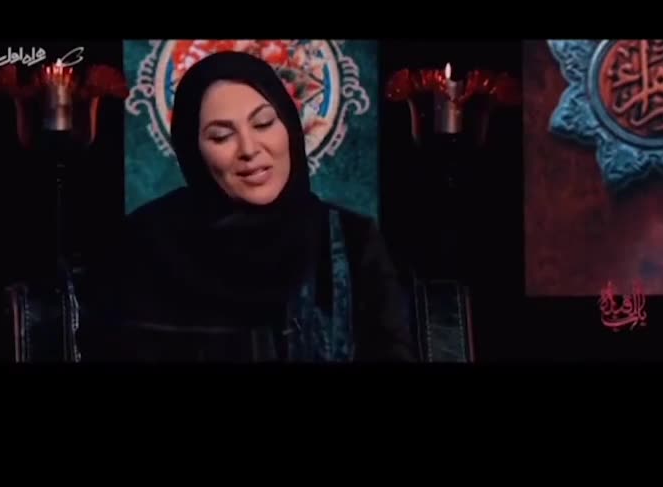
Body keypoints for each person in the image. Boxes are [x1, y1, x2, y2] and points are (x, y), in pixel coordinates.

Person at [80, 51, 416, 361]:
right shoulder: (142, 245)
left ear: (289, 126)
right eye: (221, 136)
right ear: (193, 151)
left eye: (263, 123)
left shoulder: (352, 244)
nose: (249, 149)